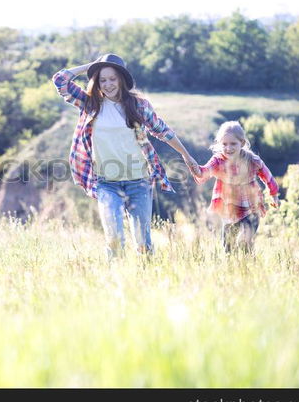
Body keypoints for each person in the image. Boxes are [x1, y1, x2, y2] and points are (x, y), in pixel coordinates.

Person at [52, 53, 198, 260]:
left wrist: (186, 155)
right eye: (103, 79)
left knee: (142, 242)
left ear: (121, 79)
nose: (108, 84)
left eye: (113, 78)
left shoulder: (138, 106)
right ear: (97, 82)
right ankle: (115, 281)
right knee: (114, 238)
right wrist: (93, 65)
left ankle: (145, 280)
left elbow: (163, 131)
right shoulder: (90, 104)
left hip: (138, 182)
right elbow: (60, 80)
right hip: (106, 183)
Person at [187, 120, 280, 253]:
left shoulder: (251, 160)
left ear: (242, 143)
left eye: (233, 144)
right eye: (224, 144)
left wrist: (274, 195)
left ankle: (247, 265)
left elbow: (268, 176)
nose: (228, 148)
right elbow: (204, 172)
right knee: (228, 245)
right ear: (219, 144)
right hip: (229, 208)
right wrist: (194, 167)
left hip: (251, 207)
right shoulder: (218, 160)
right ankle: (232, 267)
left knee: (245, 241)